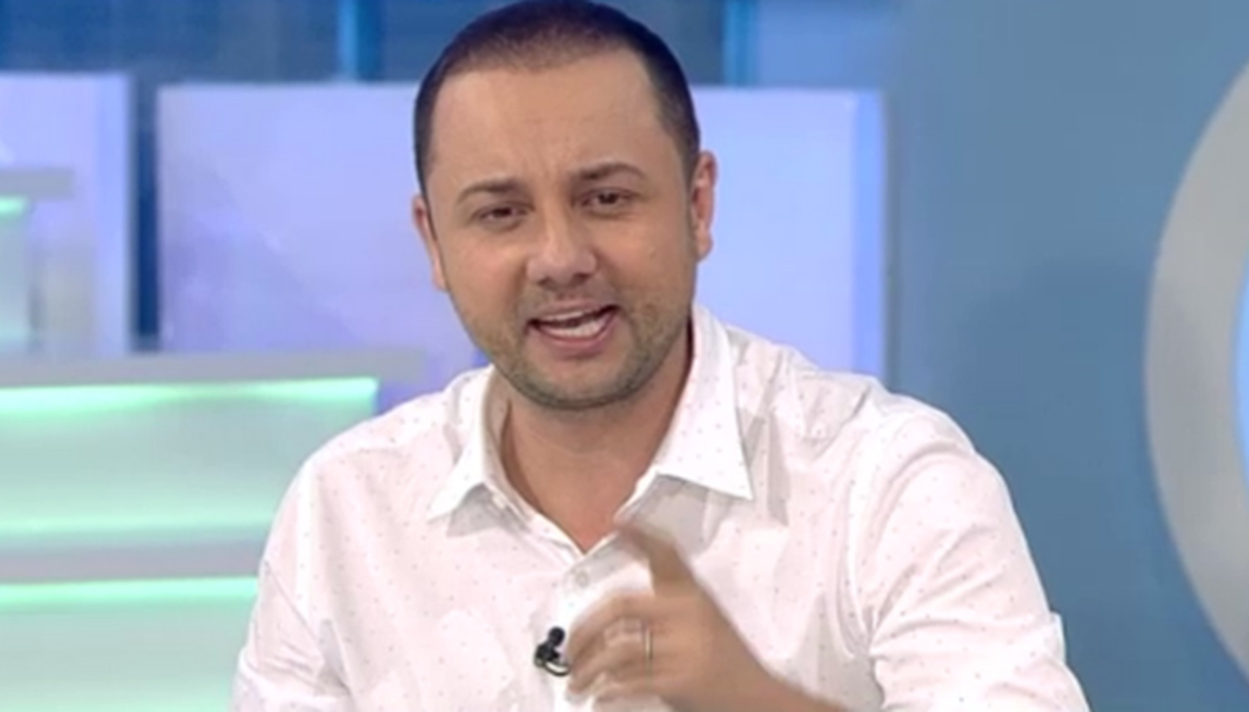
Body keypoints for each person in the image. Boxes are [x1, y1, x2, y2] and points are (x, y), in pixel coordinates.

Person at [231, 1, 1090, 710]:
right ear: (433, 242)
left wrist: (754, 700)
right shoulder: (347, 511)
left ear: (698, 204)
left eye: (606, 198)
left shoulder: (886, 481)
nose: (560, 258)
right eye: (501, 214)